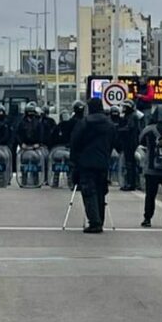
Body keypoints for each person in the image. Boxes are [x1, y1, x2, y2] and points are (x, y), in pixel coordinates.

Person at [70, 98, 118, 234]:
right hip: (103, 162)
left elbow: (75, 142)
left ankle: (94, 222)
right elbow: (114, 141)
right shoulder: (109, 124)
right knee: (100, 191)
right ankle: (100, 220)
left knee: (88, 191)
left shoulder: (84, 123)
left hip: (86, 162)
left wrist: (74, 160)